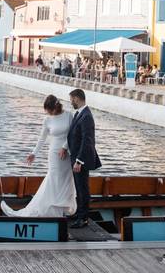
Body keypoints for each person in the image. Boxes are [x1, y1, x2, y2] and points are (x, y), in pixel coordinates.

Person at [1, 95, 76, 218]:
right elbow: (42, 138)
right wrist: (33, 153)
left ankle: (62, 208)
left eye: (49, 110)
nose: (48, 113)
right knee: (53, 179)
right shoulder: (47, 120)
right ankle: (48, 208)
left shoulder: (68, 115)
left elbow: (72, 134)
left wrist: (65, 147)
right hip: (54, 154)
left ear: (55, 107)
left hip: (66, 153)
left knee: (66, 179)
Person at [67, 89, 101, 228]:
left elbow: (87, 141)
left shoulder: (86, 116)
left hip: (81, 160)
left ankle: (83, 218)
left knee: (83, 188)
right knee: (78, 187)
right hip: (75, 157)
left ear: (77, 98)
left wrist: (79, 161)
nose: (71, 102)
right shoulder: (79, 114)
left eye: (71, 99)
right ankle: (80, 213)